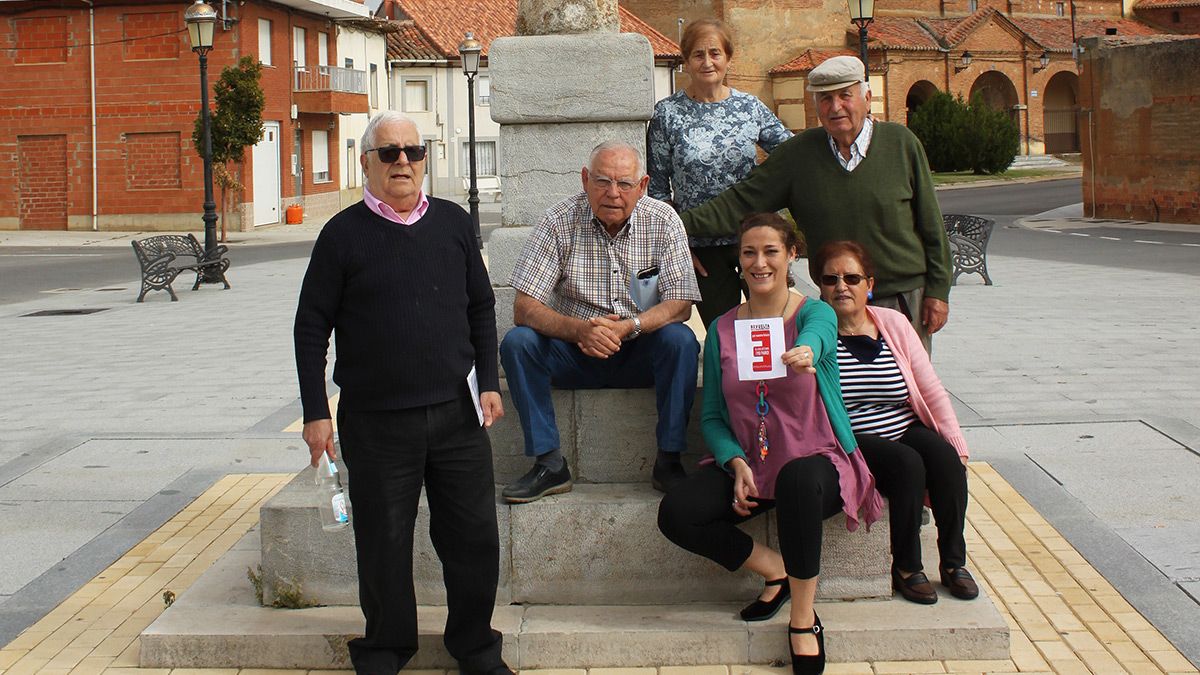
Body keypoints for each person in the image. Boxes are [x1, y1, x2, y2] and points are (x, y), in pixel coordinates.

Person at [294, 111, 513, 675]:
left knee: (473, 540)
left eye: (412, 152)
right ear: (366, 162)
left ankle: (476, 649)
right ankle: (386, 649)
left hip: (457, 417)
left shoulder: (454, 224)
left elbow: (481, 307)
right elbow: (310, 326)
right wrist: (316, 413)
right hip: (375, 421)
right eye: (388, 152)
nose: (402, 163)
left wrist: (488, 382)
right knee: (383, 542)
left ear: (425, 159)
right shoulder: (341, 235)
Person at [658, 213, 882, 675]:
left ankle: (803, 618)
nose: (759, 263)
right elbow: (715, 416)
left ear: (791, 255)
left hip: (815, 459)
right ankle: (774, 569)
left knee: (798, 477)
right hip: (753, 466)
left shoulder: (813, 313)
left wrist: (808, 351)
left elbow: (820, 335)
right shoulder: (721, 329)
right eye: (749, 253)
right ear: (738, 261)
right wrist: (733, 460)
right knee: (677, 512)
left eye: (770, 252)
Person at [680, 55, 952, 352]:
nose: (835, 107)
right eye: (825, 99)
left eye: (845, 96)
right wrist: (674, 224)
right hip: (835, 300)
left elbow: (931, 225)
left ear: (867, 97)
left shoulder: (901, 143)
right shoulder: (798, 155)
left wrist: (938, 292)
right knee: (835, 392)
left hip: (903, 299)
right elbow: (740, 202)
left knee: (907, 389)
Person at [500, 141, 702, 503]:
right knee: (518, 344)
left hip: (638, 350)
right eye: (602, 181)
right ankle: (549, 463)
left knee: (680, 340)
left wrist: (630, 327)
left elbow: (680, 303)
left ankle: (669, 460)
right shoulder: (558, 220)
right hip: (574, 351)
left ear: (642, 186)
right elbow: (525, 307)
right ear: (584, 180)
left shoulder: (663, 220)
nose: (613, 193)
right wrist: (580, 330)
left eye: (624, 184)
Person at [812, 240, 978, 604]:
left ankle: (953, 562)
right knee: (907, 464)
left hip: (903, 425)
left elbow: (929, 387)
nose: (842, 286)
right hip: (853, 436)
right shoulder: (817, 334)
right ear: (820, 287)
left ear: (870, 284)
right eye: (831, 279)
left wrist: (957, 443)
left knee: (947, 460)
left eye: (852, 278)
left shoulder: (893, 323)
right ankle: (906, 566)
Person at [646, 18, 792, 326]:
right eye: (698, 54)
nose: (708, 62)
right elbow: (657, 189)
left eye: (715, 53)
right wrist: (678, 244)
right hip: (701, 246)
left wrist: (771, 202)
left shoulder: (748, 107)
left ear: (728, 58)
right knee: (722, 333)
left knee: (769, 328)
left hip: (754, 240)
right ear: (686, 61)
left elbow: (790, 154)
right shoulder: (667, 113)